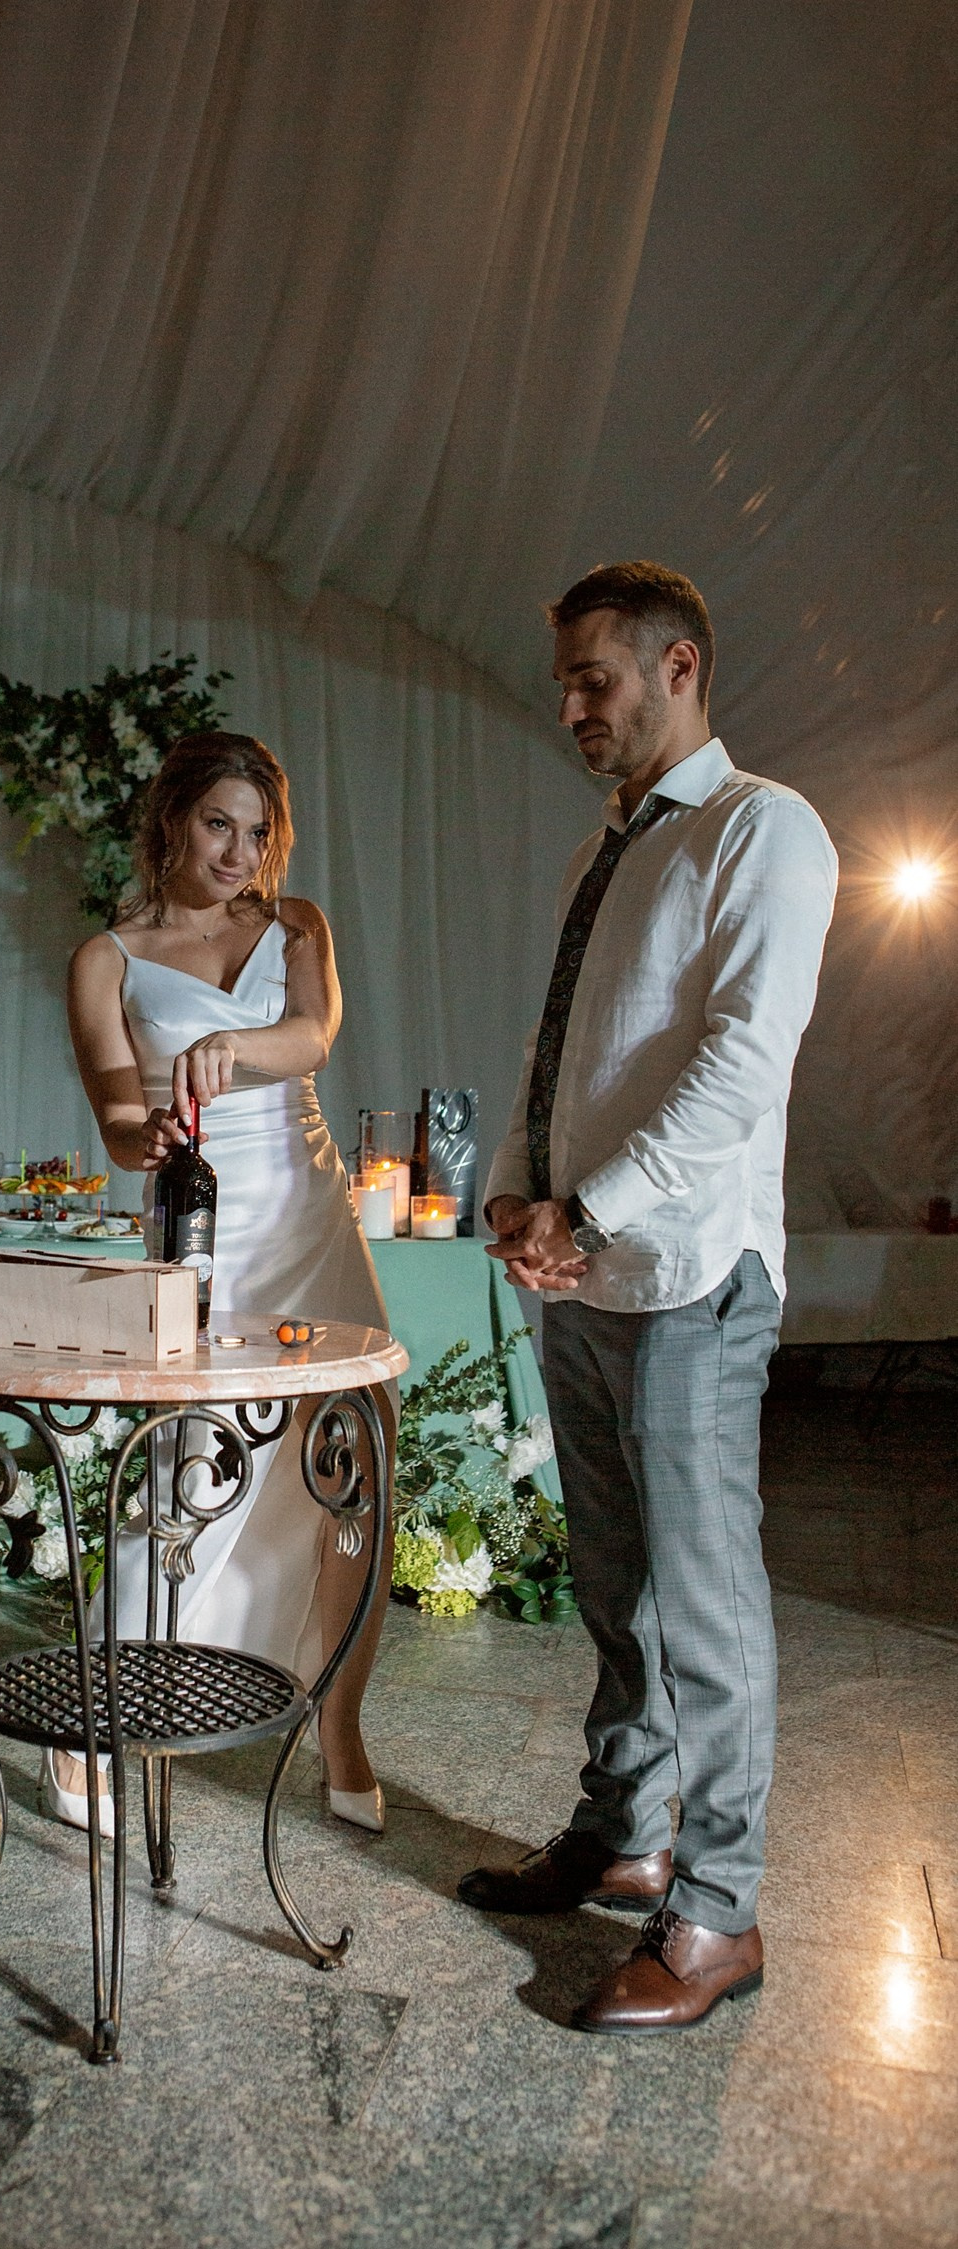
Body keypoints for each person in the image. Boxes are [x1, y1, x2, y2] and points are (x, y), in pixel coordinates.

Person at [458, 562, 838, 2036]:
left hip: (691, 1279)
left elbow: (743, 1064)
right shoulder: (605, 845)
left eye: (593, 679)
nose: (571, 706)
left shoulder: (765, 828)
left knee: (706, 1605)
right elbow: (560, 1045)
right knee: (614, 1584)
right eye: (564, 681)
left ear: (679, 667)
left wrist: (591, 1206)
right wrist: (515, 1189)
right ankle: (626, 1832)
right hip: (587, 1272)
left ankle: (719, 1911)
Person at [62, 729, 393, 1838]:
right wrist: (145, 1130)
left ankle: (340, 1727)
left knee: (354, 1468)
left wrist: (230, 1051)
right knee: (190, 1469)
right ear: (171, 820)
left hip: (310, 1220)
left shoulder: (296, 926)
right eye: (219, 823)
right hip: (201, 1229)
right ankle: (88, 1723)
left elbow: (312, 1035)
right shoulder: (106, 958)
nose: (240, 852)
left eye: (258, 832)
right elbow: (117, 1116)